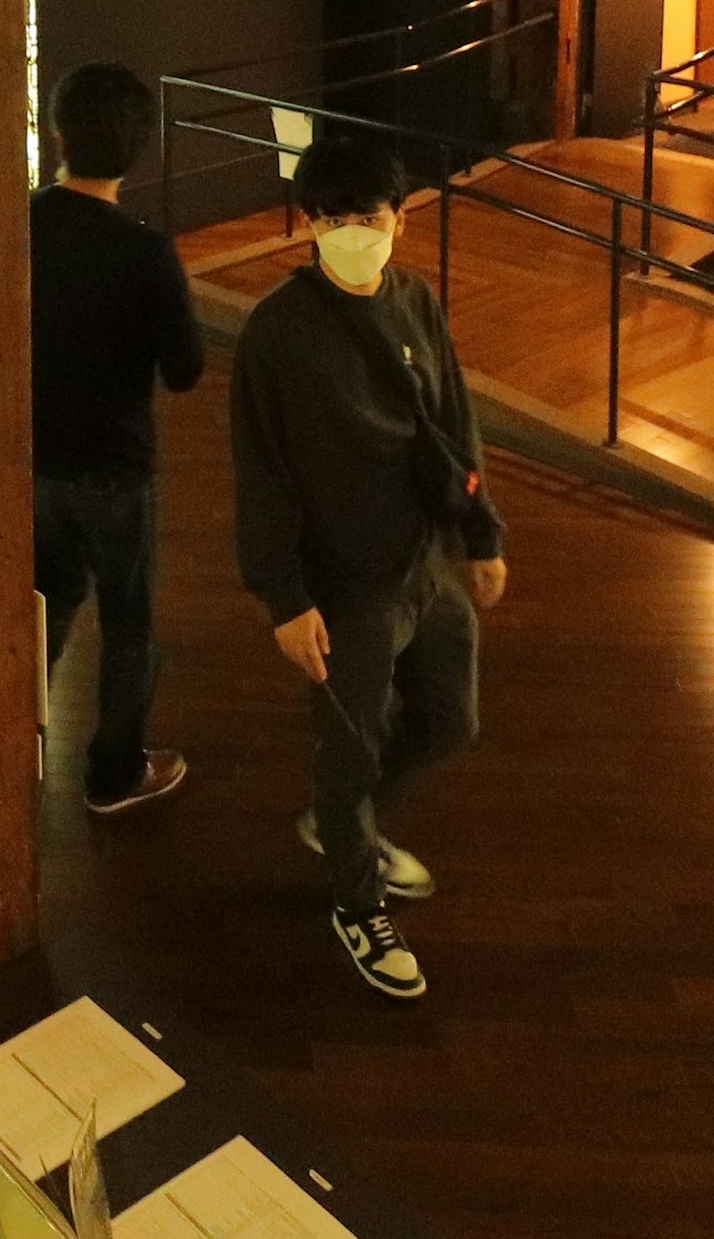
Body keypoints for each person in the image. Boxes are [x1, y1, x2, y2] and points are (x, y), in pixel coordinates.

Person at [228, 133, 507, 1002]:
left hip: (424, 563)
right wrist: (284, 597)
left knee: (451, 721)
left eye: (370, 218)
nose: (355, 233)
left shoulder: (415, 300)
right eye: (336, 220)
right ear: (307, 223)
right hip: (343, 584)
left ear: (400, 221)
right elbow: (262, 473)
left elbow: (451, 422)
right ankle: (355, 898)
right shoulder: (277, 334)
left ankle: (343, 823)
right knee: (347, 747)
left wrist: (482, 533)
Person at [30, 62, 205, 816]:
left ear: (57, 133)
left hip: (32, 456)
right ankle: (112, 773)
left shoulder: (17, 220)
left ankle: (10, 742)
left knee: (46, 599)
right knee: (126, 615)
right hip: (116, 467)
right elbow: (187, 370)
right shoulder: (145, 252)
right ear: (141, 149)